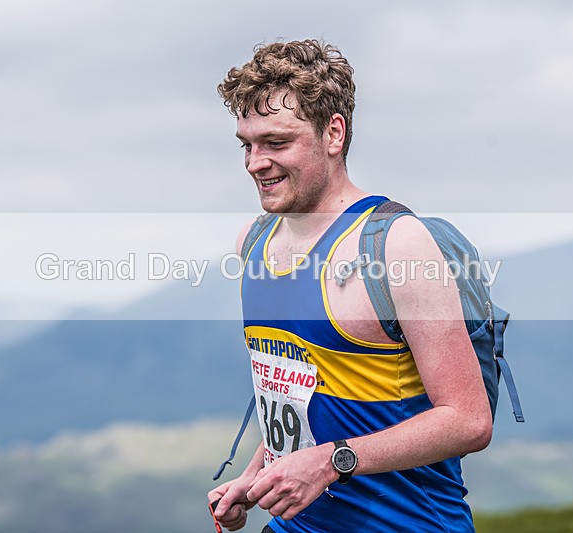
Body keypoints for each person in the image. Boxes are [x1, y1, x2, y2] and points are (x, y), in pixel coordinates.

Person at [208, 39, 492, 533]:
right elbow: (305, 395)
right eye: (247, 144)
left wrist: (330, 462)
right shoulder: (252, 244)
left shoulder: (395, 246)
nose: (255, 162)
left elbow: (468, 420)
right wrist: (256, 477)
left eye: (276, 143)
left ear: (333, 133)